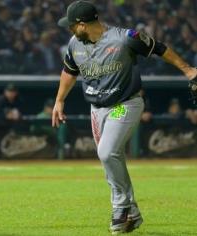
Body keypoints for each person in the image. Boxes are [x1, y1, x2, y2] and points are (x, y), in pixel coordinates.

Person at [52, 1, 197, 234]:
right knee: (110, 160)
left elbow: (159, 48)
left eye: (71, 25)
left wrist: (189, 70)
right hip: (96, 110)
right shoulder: (74, 44)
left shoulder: (125, 38)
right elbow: (69, 72)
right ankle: (133, 213)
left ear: (82, 25)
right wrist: (59, 101)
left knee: (107, 152)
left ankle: (120, 208)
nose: (69, 30)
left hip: (124, 105)